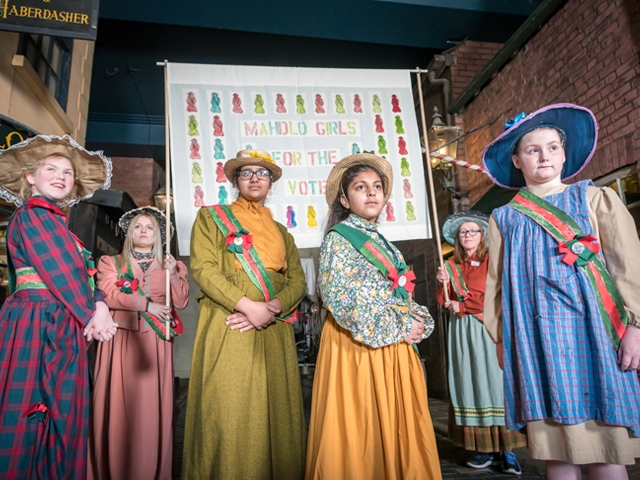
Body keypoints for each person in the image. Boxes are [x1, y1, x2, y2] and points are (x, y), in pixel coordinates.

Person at [482, 103, 640, 480]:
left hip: (597, 338)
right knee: (556, 452)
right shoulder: (504, 218)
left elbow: (628, 266)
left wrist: (635, 325)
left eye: (553, 147)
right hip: (536, 344)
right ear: (517, 160)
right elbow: (496, 288)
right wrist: (502, 341)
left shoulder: (595, 199)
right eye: (533, 149)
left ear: (565, 154)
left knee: (606, 449)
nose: (544, 156)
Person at [306, 153, 442, 480]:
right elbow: (342, 300)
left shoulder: (381, 240)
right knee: (362, 434)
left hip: (390, 347)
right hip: (359, 350)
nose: (371, 193)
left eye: (377, 187)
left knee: (394, 432)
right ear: (344, 198)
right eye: (360, 187)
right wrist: (400, 325)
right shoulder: (339, 239)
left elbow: (397, 295)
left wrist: (415, 319)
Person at [182, 149, 307, 480]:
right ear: (235, 180)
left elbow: (297, 280)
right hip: (229, 321)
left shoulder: (283, 232)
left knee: (277, 411)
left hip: (274, 326)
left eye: (262, 173)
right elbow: (204, 269)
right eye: (247, 172)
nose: (255, 178)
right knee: (228, 409)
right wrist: (247, 306)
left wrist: (274, 307)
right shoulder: (211, 217)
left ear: (271, 182)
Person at [0, 135, 116, 479]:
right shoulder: (34, 216)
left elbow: (83, 275)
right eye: (50, 169)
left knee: (58, 415)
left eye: (67, 172)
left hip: (57, 321)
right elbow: (64, 273)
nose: (61, 176)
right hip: (37, 322)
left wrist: (98, 304)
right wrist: (93, 311)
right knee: (31, 415)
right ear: (30, 177)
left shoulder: (60, 226)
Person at [89, 206, 190, 480]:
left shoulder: (172, 265)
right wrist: (145, 304)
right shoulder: (110, 262)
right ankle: (114, 470)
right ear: (129, 232)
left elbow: (180, 301)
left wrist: (172, 274)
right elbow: (108, 294)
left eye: (149, 227)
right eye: (137, 226)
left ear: (157, 235)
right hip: (120, 340)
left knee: (150, 412)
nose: (143, 231)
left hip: (156, 344)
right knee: (119, 408)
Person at [436, 212, 526, 475]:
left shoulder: (493, 261)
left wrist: (463, 304)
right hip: (462, 332)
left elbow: (497, 295)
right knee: (470, 383)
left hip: (489, 327)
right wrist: (443, 286)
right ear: (457, 238)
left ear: (483, 235)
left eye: (474, 231)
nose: (468, 236)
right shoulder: (450, 264)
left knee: (495, 384)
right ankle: (480, 447)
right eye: (464, 232)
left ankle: (507, 450)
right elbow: (444, 302)